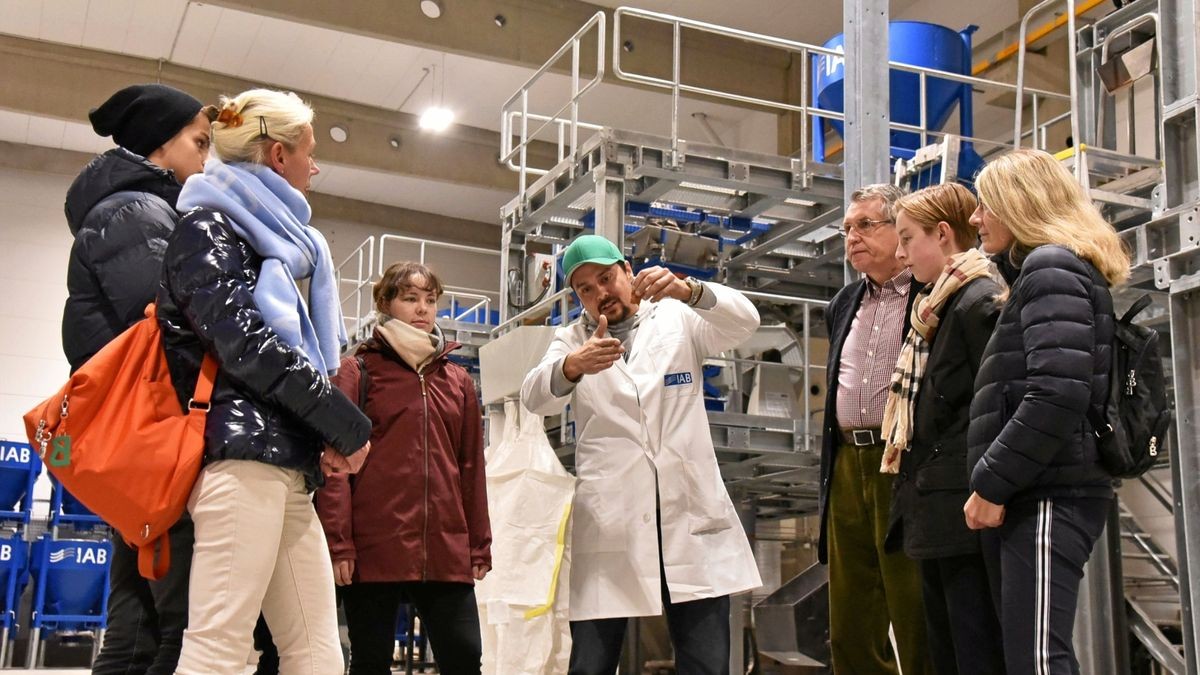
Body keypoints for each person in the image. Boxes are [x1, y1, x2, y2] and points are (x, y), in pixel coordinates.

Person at [157, 88, 371, 675]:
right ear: (278, 155)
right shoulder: (206, 228)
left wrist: (324, 428)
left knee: (318, 650)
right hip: (239, 460)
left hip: (288, 463)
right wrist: (342, 421)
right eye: (309, 151)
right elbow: (246, 344)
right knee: (218, 649)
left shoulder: (282, 245)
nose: (316, 165)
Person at [522, 235, 762, 675]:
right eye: (585, 290)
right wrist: (573, 366)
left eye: (606, 278)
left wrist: (692, 291)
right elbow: (535, 397)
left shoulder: (676, 318)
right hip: (614, 523)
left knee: (707, 663)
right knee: (590, 664)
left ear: (628, 271)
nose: (600, 294)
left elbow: (745, 322)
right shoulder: (571, 339)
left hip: (688, 518)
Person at [62, 83, 213, 675]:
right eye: (199, 142)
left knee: (140, 611)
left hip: (136, 428)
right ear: (159, 144)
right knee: (170, 618)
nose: (207, 156)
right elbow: (166, 322)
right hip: (151, 427)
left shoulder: (138, 207)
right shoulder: (137, 211)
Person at [965, 148, 1129, 675]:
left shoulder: (1050, 265)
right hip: (1042, 489)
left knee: (1038, 661)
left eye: (984, 205)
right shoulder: (1048, 270)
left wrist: (991, 482)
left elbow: (1057, 393)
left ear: (1019, 205)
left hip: (1049, 493)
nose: (975, 218)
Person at [315, 261, 492, 675]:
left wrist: (478, 544)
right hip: (376, 544)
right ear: (385, 303)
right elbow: (335, 467)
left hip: (446, 547)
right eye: (410, 298)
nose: (422, 309)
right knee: (371, 662)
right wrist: (339, 543)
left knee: (465, 658)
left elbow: (471, 467)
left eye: (430, 300)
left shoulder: (458, 381)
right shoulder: (357, 370)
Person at [881, 183, 1005, 675]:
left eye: (908, 238)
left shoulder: (979, 302)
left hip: (964, 510)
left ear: (943, 233)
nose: (901, 252)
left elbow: (990, 408)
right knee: (946, 652)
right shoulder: (935, 310)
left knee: (975, 649)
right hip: (934, 506)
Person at [817, 184, 933, 675]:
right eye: (847, 229)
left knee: (917, 614)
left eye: (866, 225)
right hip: (846, 461)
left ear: (898, 229)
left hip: (905, 462)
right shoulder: (844, 302)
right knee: (850, 625)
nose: (853, 238)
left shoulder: (933, 293)